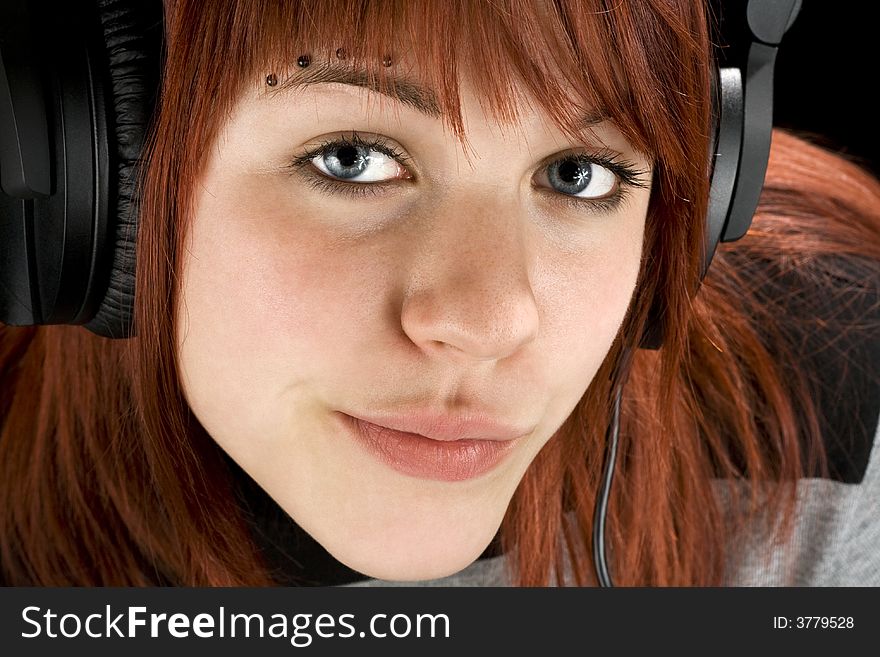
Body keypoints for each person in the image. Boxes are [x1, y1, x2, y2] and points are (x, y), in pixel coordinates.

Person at [0, 0, 878, 587]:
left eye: (579, 174)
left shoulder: (845, 438)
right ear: (105, 189)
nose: (489, 322)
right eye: (353, 158)